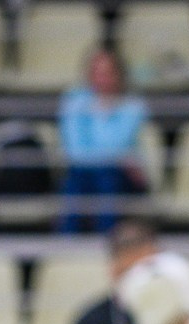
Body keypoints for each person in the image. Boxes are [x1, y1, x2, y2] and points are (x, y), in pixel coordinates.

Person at [57, 48, 147, 234]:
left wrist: (99, 114)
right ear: (89, 75)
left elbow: (118, 145)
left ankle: (106, 242)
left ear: (119, 75)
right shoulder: (74, 101)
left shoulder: (133, 106)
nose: (102, 78)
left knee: (106, 179)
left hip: (119, 176)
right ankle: (66, 244)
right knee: (74, 183)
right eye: (97, 72)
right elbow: (74, 150)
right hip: (82, 172)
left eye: (108, 73)